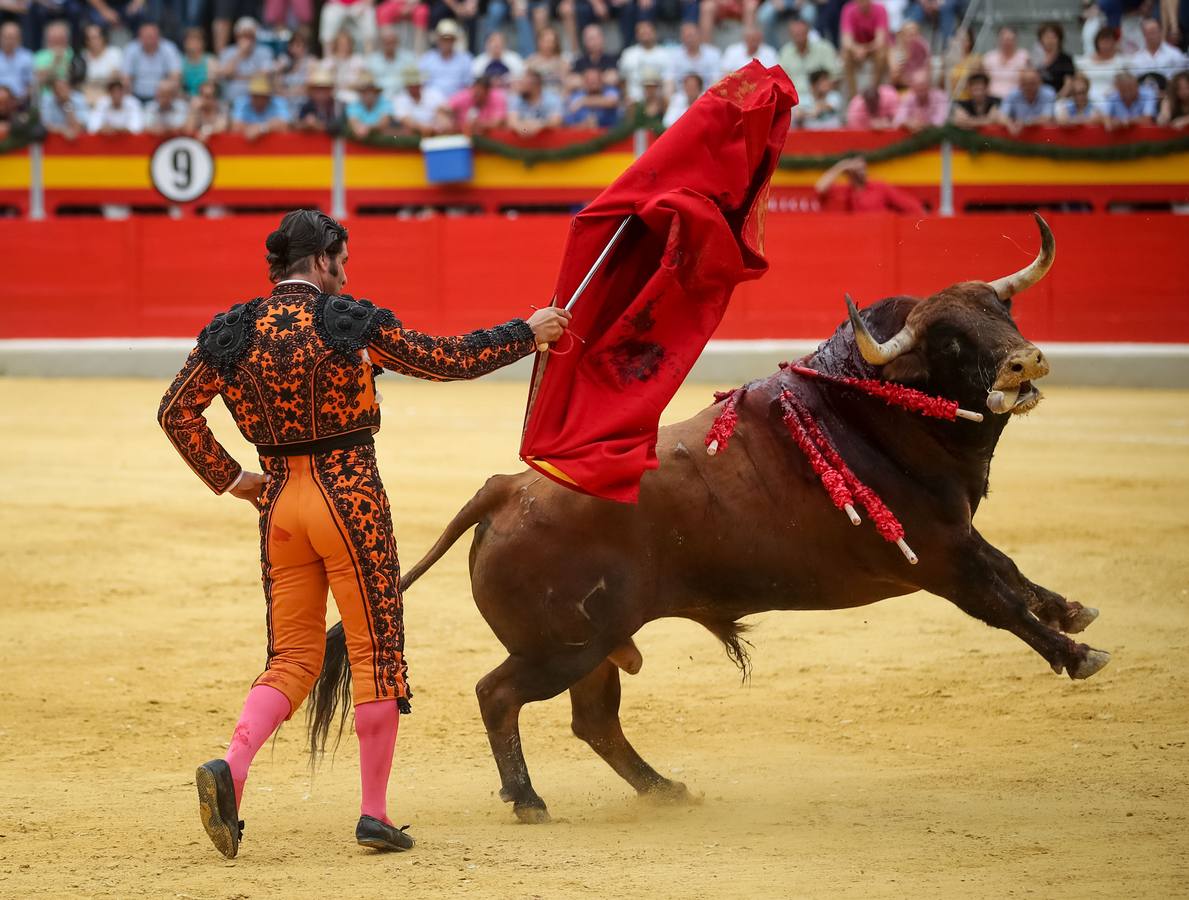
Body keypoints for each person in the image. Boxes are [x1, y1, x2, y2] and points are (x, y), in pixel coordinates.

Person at [158, 209, 570, 859]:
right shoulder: (346, 322)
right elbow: (450, 360)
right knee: (374, 652)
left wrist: (232, 478)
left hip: (280, 508)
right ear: (320, 259)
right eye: (340, 262)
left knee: (291, 659)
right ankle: (373, 814)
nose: (345, 275)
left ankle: (232, 769)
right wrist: (526, 333)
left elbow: (175, 411)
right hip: (349, 499)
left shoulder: (232, 332)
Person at [815, 155, 924, 213]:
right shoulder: (844, 189)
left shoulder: (879, 186)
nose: (861, 171)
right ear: (849, 172)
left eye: (863, 168)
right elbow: (820, 188)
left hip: (878, 234)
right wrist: (841, 166)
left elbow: (908, 205)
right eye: (857, 168)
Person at [218, 18, 276, 106]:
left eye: (250, 36)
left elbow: (264, 75)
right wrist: (240, 54)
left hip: (257, 100)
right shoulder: (227, 52)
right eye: (244, 35)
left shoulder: (265, 51)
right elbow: (226, 73)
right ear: (237, 36)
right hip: (232, 100)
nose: (247, 40)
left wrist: (237, 77)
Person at [839, 0, 889, 97]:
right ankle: (853, 95)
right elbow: (846, 41)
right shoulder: (848, 9)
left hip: (873, 49)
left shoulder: (880, 9)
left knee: (882, 54)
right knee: (845, 55)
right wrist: (857, 49)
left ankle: (873, 91)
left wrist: (864, 49)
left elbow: (880, 41)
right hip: (857, 49)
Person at [123, 21, 182, 104]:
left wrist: (165, 95)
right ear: (139, 37)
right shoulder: (131, 49)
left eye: (152, 36)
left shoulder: (169, 48)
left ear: (159, 37)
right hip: (136, 96)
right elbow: (126, 78)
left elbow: (175, 76)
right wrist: (130, 100)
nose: (149, 40)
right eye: (146, 37)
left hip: (163, 97)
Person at [778, 17, 839, 95]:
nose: (799, 36)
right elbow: (782, 81)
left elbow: (835, 75)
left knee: (834, 98)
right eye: (796, 34)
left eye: (801, 33)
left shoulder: (824, 48)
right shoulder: (785, 53)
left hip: (823, 95)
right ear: (790, 35)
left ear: (808, 31)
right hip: (796, 97)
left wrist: (827, 84)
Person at [418, 19, 473, 98]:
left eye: (449, 39)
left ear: (454, 40)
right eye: (443, 39)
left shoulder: (465, 59)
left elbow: (468, 86)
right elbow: (422, 86)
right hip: (432, 104)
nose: (446, 42)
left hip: (458, 103)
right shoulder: (427, 59)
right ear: (437, 39)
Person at [619, 20, 672, 101]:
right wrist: (626, 98)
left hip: (658, 102)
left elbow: (668, 81)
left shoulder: (664, 54)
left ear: (655, 33)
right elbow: (622, 80)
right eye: (642, 33)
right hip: (634, 101)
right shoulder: (628, 54)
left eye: (648, 32)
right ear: (637, 35)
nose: (646, 35)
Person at [997, 67, 1056, 133]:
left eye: (1032, 83)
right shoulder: (1012, 94)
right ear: (1020, 84)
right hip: (1018, 135)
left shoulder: (1048, 93)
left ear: (1040, 82)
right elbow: (1001, 116)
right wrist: (1009, 124)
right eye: (1025, 84)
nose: (1029, 87)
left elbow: (1047, 118)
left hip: (1044, 135)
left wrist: (1025, 122)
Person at [231, 73, 291, 138]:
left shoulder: (279, 102)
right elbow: (236, 126)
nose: (258, 99)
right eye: (254, 95)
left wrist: (261, 128)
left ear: (269, 97)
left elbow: (285, 125)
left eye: (261, 96)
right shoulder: (242, 102)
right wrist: (268, 126)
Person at [1129, 17, 1187, 82]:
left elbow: (1181, 78)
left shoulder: (1175, 54)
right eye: (1149, 33)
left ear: (1160, 32)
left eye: (1154, 32)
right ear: (1144, 35)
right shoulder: (1136, 58)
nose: (1152, 36)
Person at [1077, 25, 1125, 103]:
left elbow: (1121, 84)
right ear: (1097, 42)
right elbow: (1079, 82)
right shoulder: (1085, 61)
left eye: (1108, 41)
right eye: (1102, 41)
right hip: (1086, 99)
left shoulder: (1121, 62)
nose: (1105, 45)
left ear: (1114, 43)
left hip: (1111, 98)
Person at [507, 66, 563, 133]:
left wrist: (539, 125)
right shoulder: (517, 98)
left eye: (523, 83)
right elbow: (512, 121)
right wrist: (525, 130)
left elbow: (556, 121)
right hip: (522, 138)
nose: (520, 87)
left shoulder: (552, 99)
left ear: (535, 85)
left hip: (546, 139)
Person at [391, 64, 444, 132]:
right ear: (407, 86)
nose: (415, 87)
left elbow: (443, 111)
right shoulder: (400, 99)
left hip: (435, 129)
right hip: (414, 134)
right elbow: (405, 120)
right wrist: (427, 128)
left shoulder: (434, 94)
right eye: (412, 85)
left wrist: (440, 123)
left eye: (416, 84)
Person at [368, 23, 416, 97]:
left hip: (403, 97)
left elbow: (413, 81)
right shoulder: (372, 60)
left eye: (392, 42)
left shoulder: (408, 58)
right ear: (381, 43)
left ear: (398, 42)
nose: (390, 46)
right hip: (380, 99)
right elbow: (369, 84)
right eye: (387, 43)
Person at [670, 21, 722, 89]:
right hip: (682, 95)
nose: (689, 39)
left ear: (699, 35)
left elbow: (716, 79)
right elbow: (670, 79)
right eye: (686, 36)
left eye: (691, 36)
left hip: (706, 94)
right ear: (681, 38)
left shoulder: (713, 54)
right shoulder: (675, 55)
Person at [982, 25, 1029, 99]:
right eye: (1004, 39)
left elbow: (1024, 81)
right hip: (992, 98)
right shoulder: (989, 57)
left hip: (1015, 99)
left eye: (1010, 39)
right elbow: (984, 81)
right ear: (999, 40)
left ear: (1016, 40)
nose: (1007, 42)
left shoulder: (1023, 55)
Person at [81, 24, 123, 103]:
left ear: (103, 38)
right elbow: (81, 84)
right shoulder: (83, 56)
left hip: (109, 97)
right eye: (89, 38)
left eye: (96, 37)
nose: (93, 41)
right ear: (86, 41)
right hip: (88, 97)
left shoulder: (114, 53)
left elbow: (115, 80)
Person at [570, 22, 617, 89]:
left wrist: (586, 79)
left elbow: (613, 78)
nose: (595, 42)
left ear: (602, 39)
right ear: (585, 42)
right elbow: (573, 81)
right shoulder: (579, 62)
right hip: (585, 96)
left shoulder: (611, 59)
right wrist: (602, 78)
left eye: (597, 37)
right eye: (591, 39)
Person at [1033, 21, 1074, 94]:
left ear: (1059, 39)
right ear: (1041, 39)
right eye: (1047, 37)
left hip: (1059, 97)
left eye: (1053, 37)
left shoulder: (1066, 59)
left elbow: (1068, 84)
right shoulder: (1034, 58)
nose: (1050, 40)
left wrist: (1058, 98)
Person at [32, 19, 73, 92]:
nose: (57, 40)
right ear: (48, 38)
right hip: (47, 96)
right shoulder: (40, 55)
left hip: (69, 94)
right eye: (54, 37)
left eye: (60, 37)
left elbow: (75, 77)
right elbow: (39, 80)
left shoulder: (72, 53)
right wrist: (55, 62)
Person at [525, 25, 569, 92]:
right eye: (546, 41)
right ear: (539, 42)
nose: (549, 45)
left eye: (552, 42)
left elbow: (566, 83)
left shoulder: (562, 62)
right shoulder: (531, 61)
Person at [297, 65, 341, 130]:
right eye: (316, 89)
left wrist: (318, 124)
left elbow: (339, 127)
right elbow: (296, 125)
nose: (321, 93)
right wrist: (305, 124)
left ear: (330, 90)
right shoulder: (306, 106)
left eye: (324, 89)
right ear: (311, 91)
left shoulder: (338, 106)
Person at [277, 28, 317, 100]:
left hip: (303, 102)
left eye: (298, 45)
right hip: (284, 101)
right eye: (292, 45)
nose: (295, 48)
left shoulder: (311, 62)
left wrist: (289, 93)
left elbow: (309, 88)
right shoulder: (284, 60)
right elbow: (277, 85)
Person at [887, 20, 928, 89]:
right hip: (901, 87)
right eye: (909, 34)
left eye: (915, 34)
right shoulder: (894, 50)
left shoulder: (923, 48)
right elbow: (894, 74)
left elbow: (926, 72)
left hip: (920, 88)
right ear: (902, 35)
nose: (912, 38)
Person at [0, 21, 34, 101]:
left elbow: (31, 84)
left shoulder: (27, 57)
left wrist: (21, 99)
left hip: (19, 101)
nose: (9, 41)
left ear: (19, 39)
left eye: (12, 37)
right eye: (6, 37)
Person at [180, 27, 215, 97]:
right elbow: (179, 85)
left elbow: (211, 84)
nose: (193, 43)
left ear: (203, 43)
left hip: (205, 98)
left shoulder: (211, 60)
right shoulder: (180, 61)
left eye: (197, 40)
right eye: (190, 40)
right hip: (185, 98)